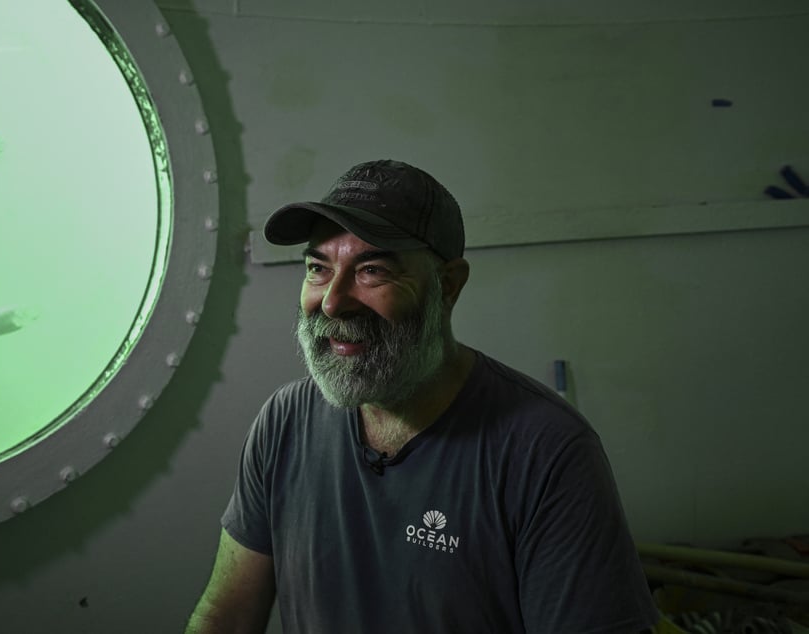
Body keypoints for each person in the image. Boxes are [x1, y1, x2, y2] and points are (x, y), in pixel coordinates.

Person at [185, 159, 659, 633]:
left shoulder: (546, 449)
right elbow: (224, 616)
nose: (332, 301)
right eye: (318, 268)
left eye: (372, 270)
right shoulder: (284, 423)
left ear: (448, 286)